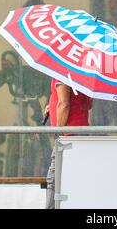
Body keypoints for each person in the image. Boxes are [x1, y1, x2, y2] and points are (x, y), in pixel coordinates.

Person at [45, 78, 92, 209]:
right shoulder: (82, 74)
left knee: (53, 178)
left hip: (67, 135)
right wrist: (53, 106)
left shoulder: (62, 73)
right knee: (75, 175)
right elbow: (88, 104)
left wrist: (58, 133)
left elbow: (64, 104)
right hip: (80, 131)